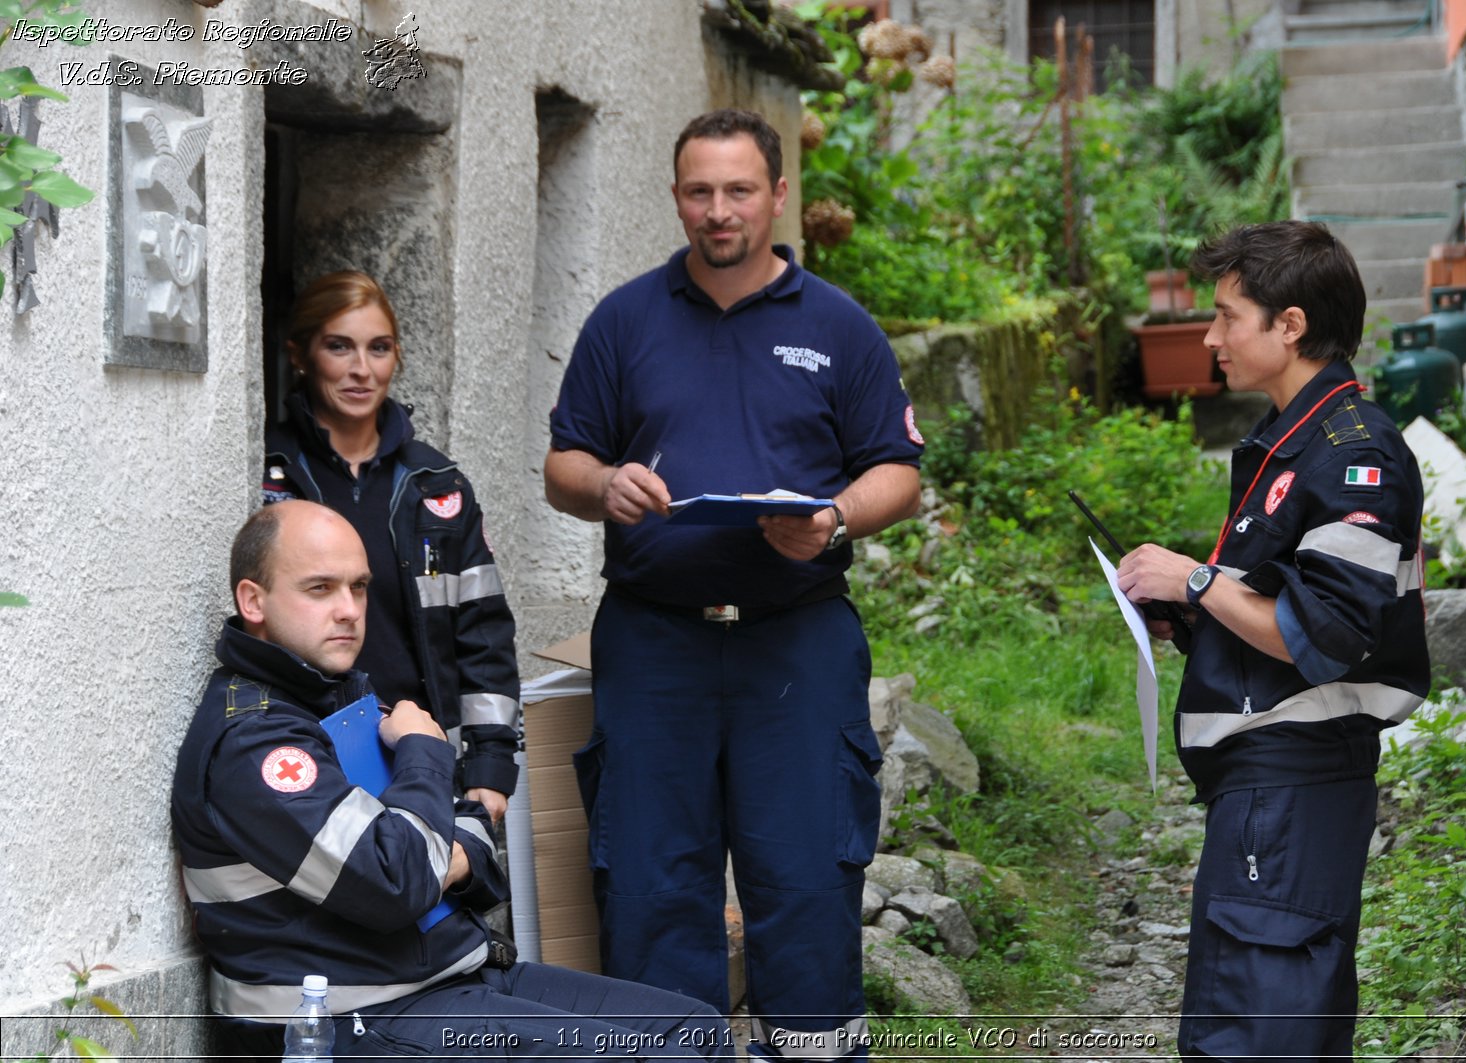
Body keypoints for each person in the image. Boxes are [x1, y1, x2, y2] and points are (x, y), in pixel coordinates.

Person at [543, 108, 924, 1060]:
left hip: (793, 643)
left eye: (740, 190)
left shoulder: (840, 326)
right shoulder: (624, 320)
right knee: (650, 882)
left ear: (778, 194)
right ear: (677, 197)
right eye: (701, 192)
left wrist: (832, 518)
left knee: (803, 880)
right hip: (654, 642)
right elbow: (564, 465)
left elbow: (899, 473)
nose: (720, 212)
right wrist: (605, 484)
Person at [172, 501, 732, 1060]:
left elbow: (473, 836)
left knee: (697, 1027)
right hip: (351, 1014)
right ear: (254, 601)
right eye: (320, 588)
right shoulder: (257, 741)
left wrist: (438, 852)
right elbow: (400, 881)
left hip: (445, 975)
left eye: (359, 587)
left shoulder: (337, 695)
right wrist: (422, 752)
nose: (348, 610)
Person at [1115, 221, 1430, 1061]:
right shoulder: (1290, 440)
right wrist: (1187, 611)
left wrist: (1193, 579)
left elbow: (1321, 632)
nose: (1210, 337)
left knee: (1258, 1034)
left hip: (1294, 783)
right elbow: (1271, 603)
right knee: (1256, 1019)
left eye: (1226, 316)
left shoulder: (1351, 451)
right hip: (1268, 787)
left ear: (1289, 325)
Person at [262, 271, 519, 824]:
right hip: (309, 749)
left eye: (378, 349)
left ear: (396, 356)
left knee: (438, 904)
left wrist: (491, 769)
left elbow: (485, 634)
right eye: (339, 347)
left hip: (422, 753)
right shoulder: (267, 472)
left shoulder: (438, 485)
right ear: (300, 355)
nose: (361, 369)